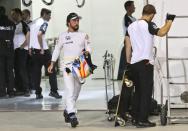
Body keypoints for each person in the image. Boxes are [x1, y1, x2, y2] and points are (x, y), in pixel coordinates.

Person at [126, 4, 175, 128]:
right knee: (146, 92)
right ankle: (142, 120)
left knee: (138, 92)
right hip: (145, 63)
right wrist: (169, 21)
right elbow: (162, 32)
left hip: (134, 63)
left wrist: (128, 61)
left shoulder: (131, 26)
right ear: (152, 14)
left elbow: (127, 44)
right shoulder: (148, 24)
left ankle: (135, 118)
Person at [48, 12, 92, 128]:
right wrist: (52, 63)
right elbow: (57, 50)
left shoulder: (84, 35)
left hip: (80, 66)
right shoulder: (62, 36)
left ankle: (68, 110)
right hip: (67, 66)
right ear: (68, 22)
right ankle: (72, 115)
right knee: (70, 90)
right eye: (74, 20)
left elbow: (88, 48)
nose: (77, 22)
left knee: (76, 92)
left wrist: (87, 52)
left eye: (78, 20)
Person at [29, 8, 62, 99]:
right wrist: (42, 48)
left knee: (36, 72)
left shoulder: (33, 22)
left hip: (34, 50)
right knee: (52, 70)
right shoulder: (44, 23)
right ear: (44, 14)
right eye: (49, 15)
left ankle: (38, 93)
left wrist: (29, 48)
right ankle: (53, 91)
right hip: (43, 51)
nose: (50, 17)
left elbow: (29, 35)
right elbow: (39, 34)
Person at [11, 8, 30, 96]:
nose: (12, 16)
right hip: (15, 50)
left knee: (22, 69)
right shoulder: (14, 25)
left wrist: (22, 46)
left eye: (13, 14)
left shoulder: (23, 24)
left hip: (21, 50)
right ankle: (19, 89)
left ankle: (26, 89)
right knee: (17, 69)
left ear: (18, 14)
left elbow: (28, 36)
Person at [117, 0, 136, 80]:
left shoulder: (134, 18)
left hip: (134, 42)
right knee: (126, 61)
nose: (134, 7)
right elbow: (131, 31)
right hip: (129, 42)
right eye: (133, 6)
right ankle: (124, 78)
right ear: (128, 8)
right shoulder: (126, 19)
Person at [0, 6, 15, 98]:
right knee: (10, 71)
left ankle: (2, 92)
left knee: (1, 71)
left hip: (0, 50)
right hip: (10, 49)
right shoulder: (12, 23)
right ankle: (11, 91)